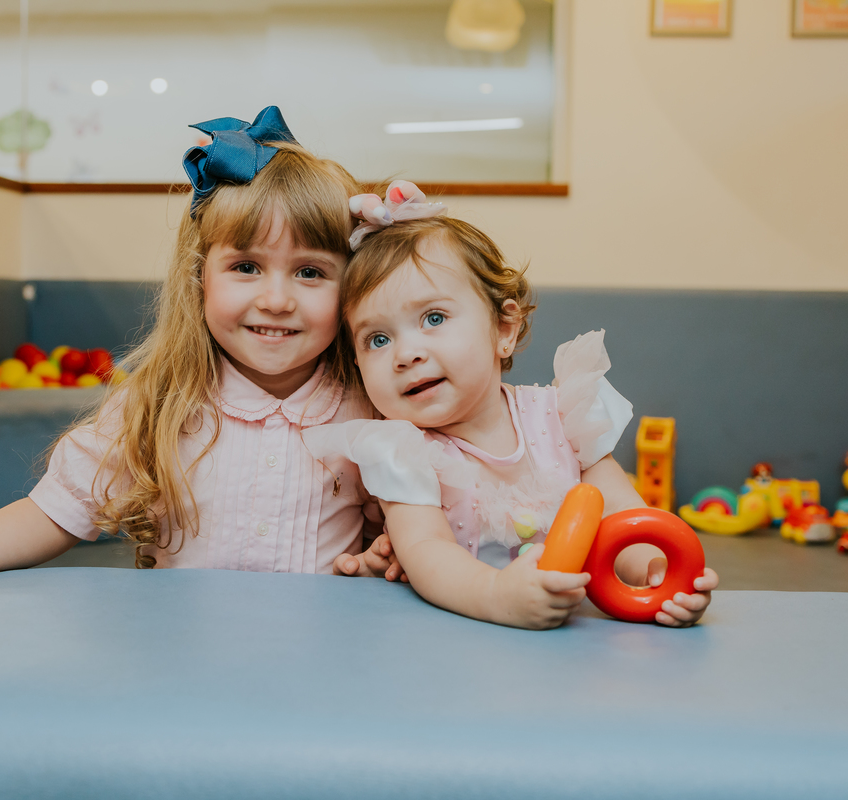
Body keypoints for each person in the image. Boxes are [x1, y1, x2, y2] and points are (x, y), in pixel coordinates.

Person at [0, 107, 398, 603]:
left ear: (353, 288)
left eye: (311, 272)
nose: (275, 299)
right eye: (245, 267)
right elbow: (50, 515)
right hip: (183, 672)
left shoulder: (374, 408)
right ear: (200, 279)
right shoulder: (160, 406)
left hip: (320, 677)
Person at [306, 182, 719, 630]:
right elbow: (427, 553)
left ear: (503, 329)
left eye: (434, 318)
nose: (406, 354)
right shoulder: (403, 453)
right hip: (458, 641)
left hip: (568, 649)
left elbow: (624, 515)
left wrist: (656, 574)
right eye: (378, 340)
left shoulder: (563, 416)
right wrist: (497, 595)